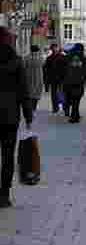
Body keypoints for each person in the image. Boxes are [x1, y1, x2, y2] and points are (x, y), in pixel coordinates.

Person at [0, 27, 33, 208]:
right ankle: (3, 195)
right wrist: (28, 115)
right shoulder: (16, 61)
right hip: (10, 116)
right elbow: (23, 90)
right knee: (7, 157)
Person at [62, 54, 86, 123]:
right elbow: (84, 78)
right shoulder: (81, 68)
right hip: (78, 88)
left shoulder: (70, 68)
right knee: (76, 103)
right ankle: (76, 116)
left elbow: (67, 79)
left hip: (73, 88)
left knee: (74, 103)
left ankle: (74, 117)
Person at [44, 44, 67, 114]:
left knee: (62, 93)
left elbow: (66, 68)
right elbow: (47, 70)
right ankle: (55, 107)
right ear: (52, 49)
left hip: (61, 78)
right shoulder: (49, 58)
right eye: (53, 48)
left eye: (56, 48)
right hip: (53, 78)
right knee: (54, 94)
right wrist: (46, 83)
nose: (55, 49)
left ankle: (64, 107)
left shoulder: (63, 57)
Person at [23, 45, 44, 112]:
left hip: (28, 78)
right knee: (36, 94)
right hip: (38, 78)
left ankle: (30, 107)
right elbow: (43, 64)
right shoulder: (41, 58)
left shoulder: (26, 58)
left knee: (29, 93)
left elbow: (23, 67)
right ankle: (34, 107)